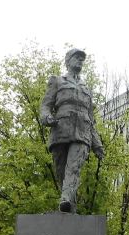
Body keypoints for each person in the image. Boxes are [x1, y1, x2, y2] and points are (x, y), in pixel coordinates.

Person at [40, 48, 104, 213]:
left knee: (73, 168)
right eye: (77, 58)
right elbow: (46, 106)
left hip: (82, 134)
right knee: (61, 172)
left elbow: (91, 119)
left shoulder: (86, 89)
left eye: (82, 59)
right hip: (60, 130)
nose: (80, 61)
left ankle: (66, 199)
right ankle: (69, 206)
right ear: (68, 61)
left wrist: (97, 144)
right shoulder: (57, 81)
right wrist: (47, 118)